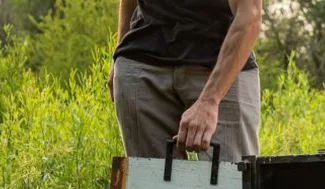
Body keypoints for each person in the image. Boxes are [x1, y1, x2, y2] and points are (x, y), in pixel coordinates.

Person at [107, 0, 263, 162]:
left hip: (221, 69)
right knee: (151, 182)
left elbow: (249, 17)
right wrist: (119, 52)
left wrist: (209, 101)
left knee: (232, 182)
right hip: (143, 66)